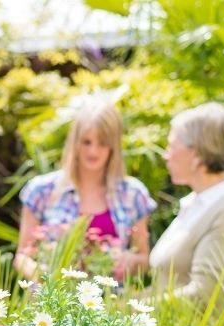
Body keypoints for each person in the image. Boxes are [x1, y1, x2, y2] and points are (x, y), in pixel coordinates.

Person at [14, 101, 156, 282]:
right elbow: (22, 256)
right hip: (53, 300)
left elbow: (144, 259)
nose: (93, 151)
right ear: (75, 143)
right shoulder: (42, 190)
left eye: (102, 143)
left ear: (113, 146)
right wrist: (45, 279)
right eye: (86, 142)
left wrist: (130, 261)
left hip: (110, 302)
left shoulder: (133, 194)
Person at [149, 102, 224, 310]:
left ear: (197, 154)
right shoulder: (197, 204)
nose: (166, 155)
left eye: (172, 146)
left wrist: (132, 311)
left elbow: (207, 294)